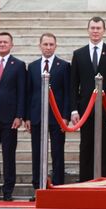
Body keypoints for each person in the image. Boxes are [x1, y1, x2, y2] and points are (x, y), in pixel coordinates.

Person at [26, 33, 72, 192]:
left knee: (57, 152)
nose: (48, 47)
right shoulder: (32, 66)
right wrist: (27, 117)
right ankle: (38, 187)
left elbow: (67, 93)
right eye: (45, 44)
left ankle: (58, 186)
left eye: (51, 44)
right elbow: (28, 92)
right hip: (37, 116)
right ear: (40, 46)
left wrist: (65, 116)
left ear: (56, 46)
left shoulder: (64, 66)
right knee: (37, 154)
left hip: (57, 117)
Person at [70, 16, 106, 181]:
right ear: (88, 30)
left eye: (98, 28)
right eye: (92, 28)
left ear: (103, 31)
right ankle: (85, 180)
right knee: (86, 145)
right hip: (85, 110)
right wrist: (74, 109)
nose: (95, 31)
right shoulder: (79, 54)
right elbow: (74, 84)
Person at [0, 31, 27, 201]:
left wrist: (19, 115)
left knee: (8, 155)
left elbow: (22, 92)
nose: (2, 44)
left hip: (10, 118)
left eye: (5, 42)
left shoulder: (18, 65)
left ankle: (8, 191)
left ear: (11, 45)